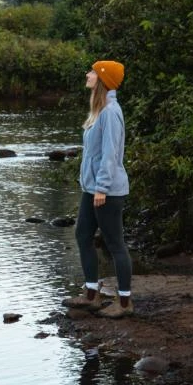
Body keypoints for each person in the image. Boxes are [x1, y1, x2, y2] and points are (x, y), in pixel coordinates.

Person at [67, 60, 133, 318]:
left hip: (107, 190)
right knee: (83, 235)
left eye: (93, 72)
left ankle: (125, 303)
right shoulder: (99, 109)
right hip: (92, 188)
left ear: (103, 79)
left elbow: (110, 154)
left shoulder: (111, 112)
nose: (88, 74)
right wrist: (91, 185)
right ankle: (91, 295)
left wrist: (102, 188)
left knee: (115, 244)